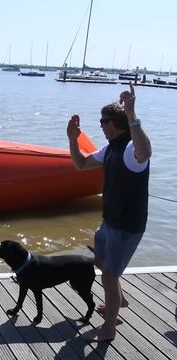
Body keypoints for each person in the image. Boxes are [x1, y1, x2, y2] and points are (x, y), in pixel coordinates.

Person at [66, 82, 151, 342]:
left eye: (103, 121)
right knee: (101, 263)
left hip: (126, 226)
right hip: (109, 222)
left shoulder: (129, 149)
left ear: (114, 123)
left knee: (109, 276)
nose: (101, 125)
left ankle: (109, 328)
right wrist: (72, 138)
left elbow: (145, 151)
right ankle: (119, 301)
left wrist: (132, 115)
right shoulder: (110, 148)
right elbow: (81, 164)